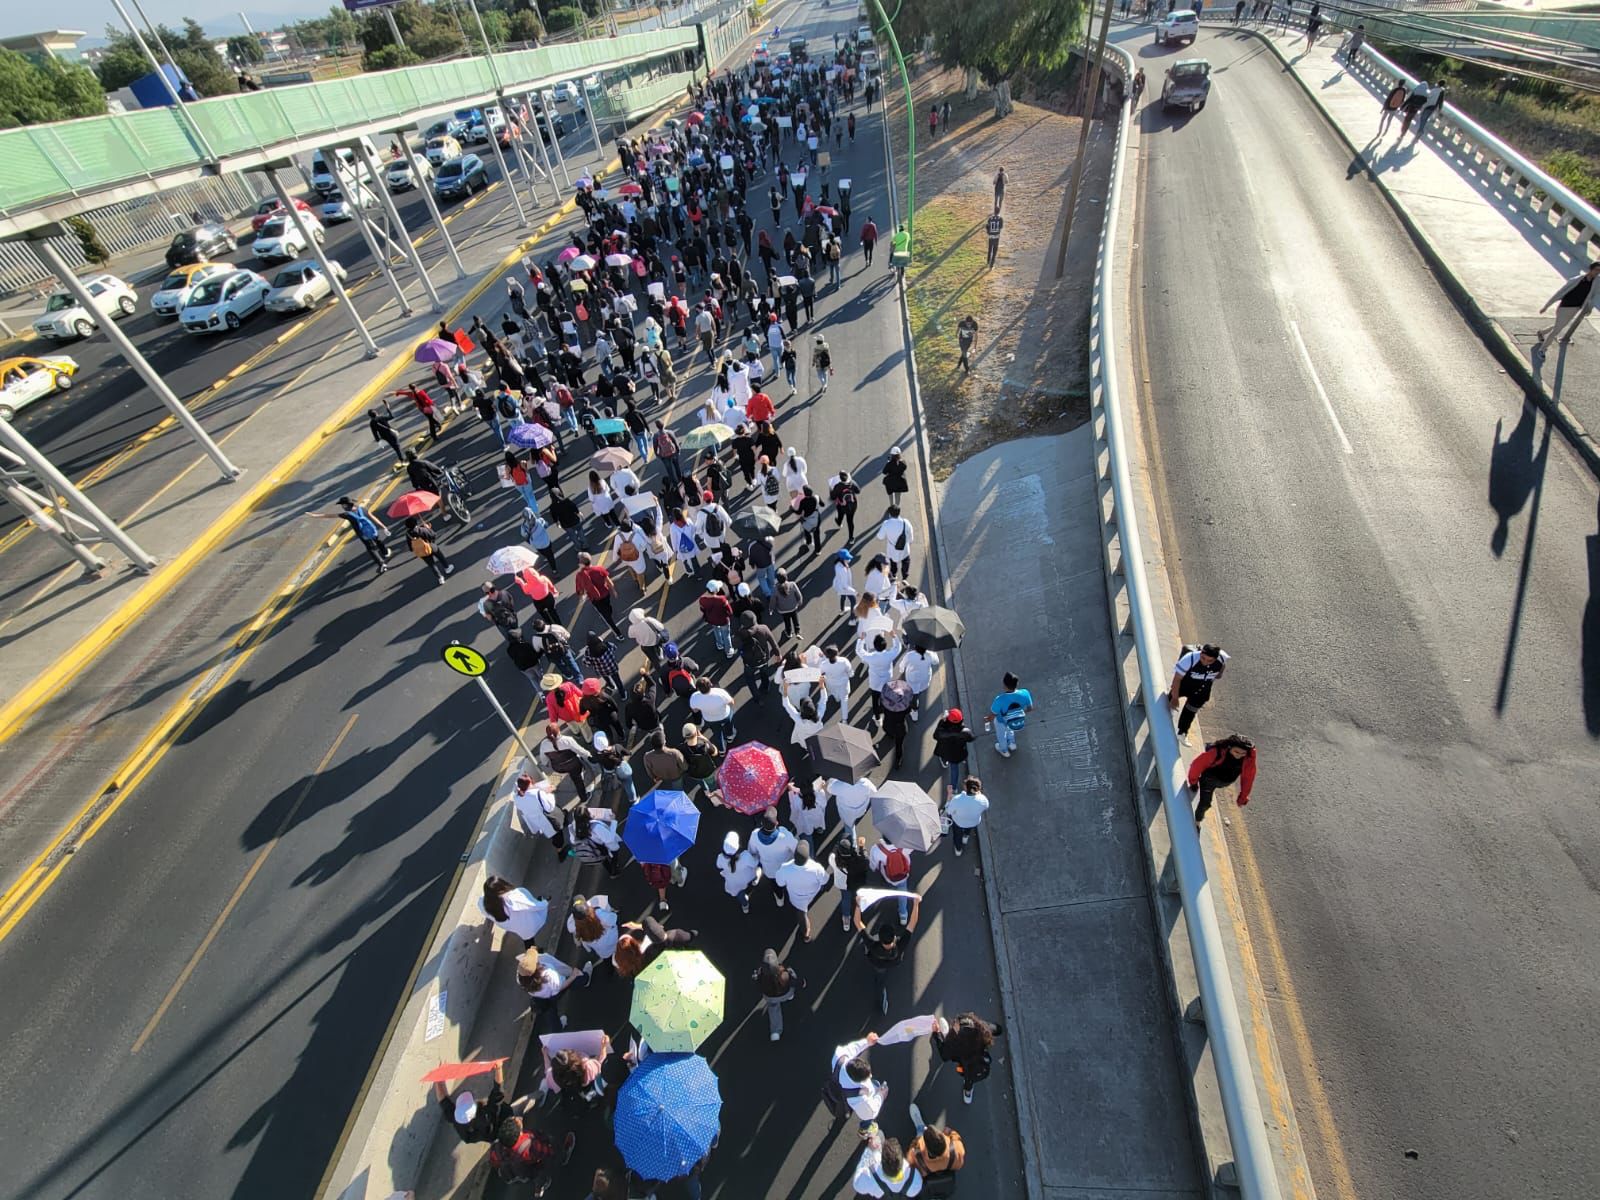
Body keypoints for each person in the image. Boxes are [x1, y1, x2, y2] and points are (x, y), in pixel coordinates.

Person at [855, 891, 921, 1014]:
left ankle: (880, 995)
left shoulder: (873, 945)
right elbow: (912, 923)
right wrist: (916, 903)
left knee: (879, 976)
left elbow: (857, 922)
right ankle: (881, 998)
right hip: (892, 963)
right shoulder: (900, 946)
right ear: (894, 937)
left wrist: (858, 904)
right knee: (880, 978)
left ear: (880, 938)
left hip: (876, 962)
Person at [305, 497, 392, 576]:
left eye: (342, 505)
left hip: (363, 535)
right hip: (373, 530)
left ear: (346, 505)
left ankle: (382, 564)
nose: (342, 506)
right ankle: (385, 552)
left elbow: (330, 516)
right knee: (378, 540)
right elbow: (373, 517)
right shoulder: (362, 509)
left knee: (371, 549)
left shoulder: (347, 514)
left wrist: (315, 515)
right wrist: (384, 527)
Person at [931, 1012, 1003, 1104]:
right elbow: (996, 1029)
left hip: (969, 1068)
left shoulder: (957, 1047)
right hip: (982, 1067)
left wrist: (936, 1034)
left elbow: (944, 1056)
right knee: (969, 1079)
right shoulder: (982, 1029)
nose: (954, 1024)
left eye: (955, 1027)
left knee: (968, 1076)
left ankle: (968, 1091)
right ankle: (967, 1092)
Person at [435, 1061, 513, 1143]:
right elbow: (498, 1094)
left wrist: (439, 1077)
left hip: (491, 1137)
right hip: (504, 1122)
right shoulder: (488, 1114)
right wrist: (499, 1068)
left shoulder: (457, 1122)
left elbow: (443, 1099)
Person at [1186, 733, 1258, 823]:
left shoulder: (1248, 760)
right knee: (1205, 804)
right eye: (1236, 752)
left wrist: (1242, 797)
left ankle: (1194, 787)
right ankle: (1197, 821)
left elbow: (1248, 778)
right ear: (1229, 747)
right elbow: (1196, 766)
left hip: (1224, 782)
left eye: (1243, 753)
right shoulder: (1216, 752)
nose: (1239, 755)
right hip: (1209, 780)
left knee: (1205, 801)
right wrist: (1193, 781)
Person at [1167, 643, 1228, 743]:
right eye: (1203, 658)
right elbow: (1177, 680)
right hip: (1184, 685)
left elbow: (1221, 670)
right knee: (1169, 702)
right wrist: (1175, 698)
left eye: (1210, 661)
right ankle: (1167, 712)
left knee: (1190, 712)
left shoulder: (1221, 660)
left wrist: (1216, 674)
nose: (1205, 662)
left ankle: (1182, 732)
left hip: (1201, 690)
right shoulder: (1189, 659)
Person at [1534, 260, 1599, 354]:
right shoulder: (1576, 280)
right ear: (1590, 269)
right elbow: (1559, 293)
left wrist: (1589, 308)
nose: (1597, 272)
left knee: (1560, 325)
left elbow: (1593, 296)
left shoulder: (1596, 282)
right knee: (1557, 329)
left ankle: (1542, 332)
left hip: (1576, 308)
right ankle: (1543, 350)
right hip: (1565, 307)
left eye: (1599, 271)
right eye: (1596, 270)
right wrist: (1546, 306)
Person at [827, 1031, 888, 1130]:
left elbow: (852, 1048)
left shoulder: (840, 1057)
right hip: (854, 1101)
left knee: (875, 1084)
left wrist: (867, 1041)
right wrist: (881, 1095)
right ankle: (864, 1129)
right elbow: (869, 1113)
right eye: (867, 1077)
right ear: (857, 1081)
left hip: (840, 1087)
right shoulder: (858, 1098)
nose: (871, 1075)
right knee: (868, 1119)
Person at [776, 838, 830, 941]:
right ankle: (806, 933)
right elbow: (824, 880)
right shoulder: (816, 868)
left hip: (796, 897)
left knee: (801, 914)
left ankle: (806, 934)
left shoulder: (785, 868)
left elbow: (780, 883)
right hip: (812, 893)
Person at [754, 948, 808, 1040]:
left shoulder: (760, 974)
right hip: (785, 994)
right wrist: (802, 983)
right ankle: (790, 996)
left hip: (770, 997)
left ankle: (775, 1032)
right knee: (791, 972)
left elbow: (757, 984)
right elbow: (793, 982)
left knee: (773, 1008)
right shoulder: (783, 974)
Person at [479, 875, 549, 946]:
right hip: (529, 923)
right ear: (503, 885)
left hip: (518, 929)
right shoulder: (514, 899)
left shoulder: (482, 904)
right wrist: (545, 902)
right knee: (536, 905)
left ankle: (533, 953)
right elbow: (534, 906)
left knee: (528, 940)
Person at [750, 807, 799, 908]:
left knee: (776, 886)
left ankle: (780, 900)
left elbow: (752, 852)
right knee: (790, 883)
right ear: (776, 822)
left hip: (770, 870)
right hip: (787, 867)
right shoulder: (784, 834)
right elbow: (796, 848)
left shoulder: (754, 835)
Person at [511, 772, 568, 854]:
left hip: (539, 821)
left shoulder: (517, 798)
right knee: (557, 835)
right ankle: (560, 851)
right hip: (549, 819)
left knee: (556, 825)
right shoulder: (538, 794)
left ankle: (564, 820)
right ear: (530, 782)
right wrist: (548, 792)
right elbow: (550, 807)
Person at [852, 1134, 923, 1197]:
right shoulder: (915, 1180)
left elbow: (857, 1184)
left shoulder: (868, 1178)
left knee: (879, 1134)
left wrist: (869, 1150)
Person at [984, 671, 1034, 757]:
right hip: (1014, 720)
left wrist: (987, 719)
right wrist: (1019, 713)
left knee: (1001, 735)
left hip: (1001, 720)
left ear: (1004, 685)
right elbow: (1030, 708)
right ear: (1017, 684)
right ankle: (1012, 744)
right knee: (1010, 728)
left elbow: (993, 715)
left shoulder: (999, 699)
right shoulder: (1025, 693)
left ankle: (1004, 750)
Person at [905, 1112, 966, 1182]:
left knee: (920, 1133)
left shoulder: (916, 1158)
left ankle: (920, 1128)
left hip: (929, 1173)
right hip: (947, 1169)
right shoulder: (957, 1149)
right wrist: (948, 1131)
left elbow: (911, 1153)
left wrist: (917, 1142)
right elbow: (959, 1165)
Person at [567, 895, 620, 974]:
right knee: (620, 951)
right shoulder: (599, 914)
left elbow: (578, 942)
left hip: (602, 951)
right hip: (613, 940)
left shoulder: (576, 928)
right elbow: (613, 919)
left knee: (607, 961)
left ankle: (610, 971)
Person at [574, 552, 623, 634]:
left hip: (595, 599)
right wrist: (614, 591)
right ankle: (609, 613)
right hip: (606, 594)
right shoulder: (599, 569)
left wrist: (581, 597)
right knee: (607, 606)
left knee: (606, 618)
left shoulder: (580, 575)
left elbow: (580, 590)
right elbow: (608, 581)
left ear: (581, 563)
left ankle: (618, 634)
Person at [567, 805, 621, 876]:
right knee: (614, 855)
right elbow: (610, 839)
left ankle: (610, 870)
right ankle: (614, 870)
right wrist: (613, 821)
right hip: (606, 846)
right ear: (587, 814)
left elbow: (573, 840)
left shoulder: (573, 827)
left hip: (594, 849)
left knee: (604, 859)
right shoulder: (595, 827)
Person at [944, 776, 990, 856]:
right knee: (968, 829)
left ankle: (958, 850)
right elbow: (986, 806)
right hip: (973, 821)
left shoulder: (957, 799)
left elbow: (948, 811)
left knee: (957, 835)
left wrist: (949, 795)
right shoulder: (983, 799)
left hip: (958, 822)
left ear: (966, 788)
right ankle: (965, 837)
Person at [718, 829, 761, 914]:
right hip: (748, 877)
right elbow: (754, 863)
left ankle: (745, 906)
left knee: (740, 894)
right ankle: (755, 880)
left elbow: (718, 866)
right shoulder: (745, 856)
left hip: (733, 883)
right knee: (758, 869)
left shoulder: (720, 858)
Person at [689, 676, 738, 749]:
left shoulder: (694, 697)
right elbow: (732, 702)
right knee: (729, 723)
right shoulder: (720, 692)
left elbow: (695, 710)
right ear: (710, 684)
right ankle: (730, 736)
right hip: (724, 715)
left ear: (698, 688)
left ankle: (722, 750)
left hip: (709, 719)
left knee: (717, 733)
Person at [932, 708, 975, 791]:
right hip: (959, 753)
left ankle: (953, 788)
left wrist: (942, 721)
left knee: (951, 766)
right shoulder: (964, 731)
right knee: (955, 769)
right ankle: (954, 788)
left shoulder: (942, 728)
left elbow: (935, 736)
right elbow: (971, 738)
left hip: (945, 751)